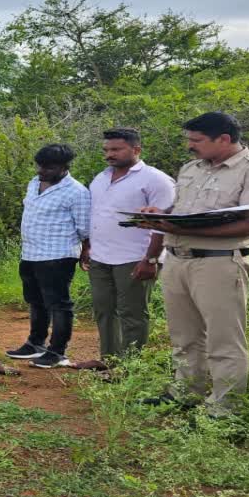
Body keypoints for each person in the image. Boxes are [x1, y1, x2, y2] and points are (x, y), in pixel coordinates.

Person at [136, 112, 249, 415]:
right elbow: (185, 209)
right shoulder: (192, 168)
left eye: (197, 140)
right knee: (184, 335)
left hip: (218, 264)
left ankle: (224, 410)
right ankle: (185, 393)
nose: (190, 146)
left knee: (223, 339)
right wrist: (161, 215)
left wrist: (180, 229)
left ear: (224, 139)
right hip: (178, 260)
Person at [82, 129, 175, 360]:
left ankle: (129, 366)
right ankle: (109, 360)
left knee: (131, 313)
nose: (109, 155)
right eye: (106, 150)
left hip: (135, 257)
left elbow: (162, 224)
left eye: (116, 149)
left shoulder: (156, 180)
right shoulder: (101, 177)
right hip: (101, 257)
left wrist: (151, 259)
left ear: (136, 150)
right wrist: (87, 248)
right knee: (104, 310)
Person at [6, 144, 90, 368]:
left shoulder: (77, 192)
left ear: (64, 167)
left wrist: (86, 251)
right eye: (40, 166)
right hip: (31, 253)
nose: (42, 171)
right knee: (35, 301)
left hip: (58, 255)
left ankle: (57, 351)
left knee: (58, 304)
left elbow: (85, 228)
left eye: (49, 168)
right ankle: (35, 344)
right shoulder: (34, 184)